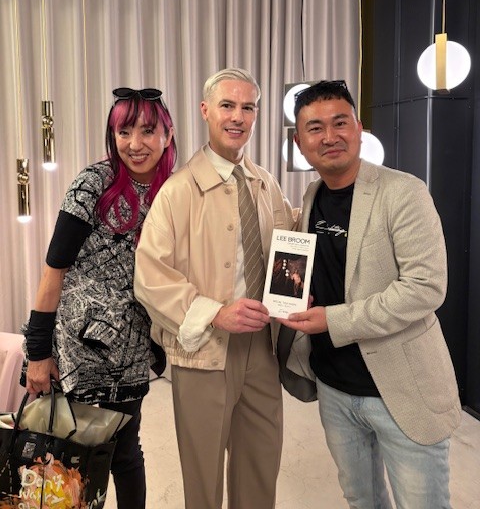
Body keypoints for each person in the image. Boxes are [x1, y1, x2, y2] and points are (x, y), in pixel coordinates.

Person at [278, 80, 461, 509]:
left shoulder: (404, 192)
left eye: (340, 123)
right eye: (315, 128)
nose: (330, 136)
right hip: (334, 387)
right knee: (362, 500)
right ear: (300, 143)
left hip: (403, 387)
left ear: (359, 128)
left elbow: (425, 288)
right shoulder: (312, 195)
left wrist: (332, 320)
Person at [134, 68, 296, 509]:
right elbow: (149, 275)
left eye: (248, 107)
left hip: (262, 347)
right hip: (205, 349)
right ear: (206, 111)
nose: (238, 116)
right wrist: (215, 312)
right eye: (228, 105)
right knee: (203, 477)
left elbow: (289, 241)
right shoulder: (178, 192)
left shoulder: (265, 183)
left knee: (260, 466)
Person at [24, 87, 176, 509]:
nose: (135, 144)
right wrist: (38, 351)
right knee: (71, 457)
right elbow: (54, 270)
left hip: (131, 351)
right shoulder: (93, 184)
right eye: (124, 132)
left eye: (147, 131)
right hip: (78, 349)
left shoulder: (174, 192)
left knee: (125, 453)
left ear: (167, 134)